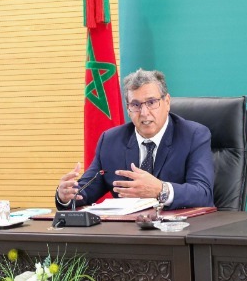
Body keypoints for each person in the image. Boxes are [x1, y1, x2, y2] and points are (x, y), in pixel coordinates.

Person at [56, 68, 214, 210]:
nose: (144, 113)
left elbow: (203, 193)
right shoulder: (110, 141)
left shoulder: (193, 136)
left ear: (167, 102)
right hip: (129, 229)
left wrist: (161, 190)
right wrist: (66, 195)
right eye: (136, 105)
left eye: (151, 102)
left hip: (179, 228)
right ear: (128, 109)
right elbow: (85, 191)